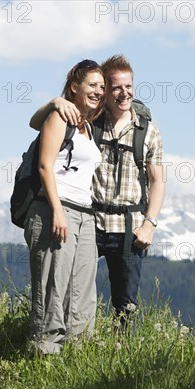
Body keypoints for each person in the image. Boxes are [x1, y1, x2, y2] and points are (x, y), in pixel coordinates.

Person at [30, 54, 165, 330]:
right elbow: (37, 124)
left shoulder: (147, 131)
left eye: (128, 86)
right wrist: (56, 102)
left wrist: (149, 224)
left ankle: (117, 360)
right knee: (70, 287)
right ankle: (58, 343)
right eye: (114, 87)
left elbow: (158, 181)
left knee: (125, 304)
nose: (122, 93)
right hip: (90, 221)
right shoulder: (90, 120)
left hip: (129, 227)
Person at [24, 59, 104, 354]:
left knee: (83, 291)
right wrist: (57, 210)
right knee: (52, 287)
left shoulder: (88, 127)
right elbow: (45, 166)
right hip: (55, 209)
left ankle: (78, 355)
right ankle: (44, 355)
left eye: (101, 86)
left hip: (85, 215)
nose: (98, 91)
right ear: (75, 86)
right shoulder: (59, 116)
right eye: (92, 85)